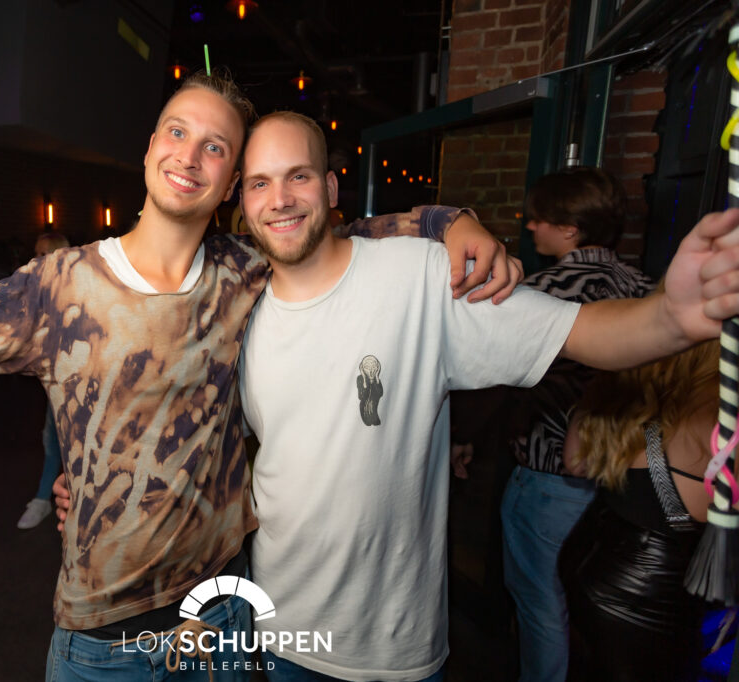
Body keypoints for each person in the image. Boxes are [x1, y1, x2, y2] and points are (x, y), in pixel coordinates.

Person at [0, 72, 521, 681]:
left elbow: (347, 235)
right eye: (178, 131)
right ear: (148, 150)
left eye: (217, 147)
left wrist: (450, 220)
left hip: (222, 617)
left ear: (231, 184)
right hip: (105, 638)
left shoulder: (245, 271)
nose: (191, 155)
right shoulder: (61, 285)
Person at [226, 111, 739, 681]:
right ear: (243, 201)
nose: (280, 199)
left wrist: (671, 317)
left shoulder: (416, 276)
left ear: (329, 187)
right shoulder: (235, 314)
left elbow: (577, 331)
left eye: (297, 176)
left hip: (392, 645)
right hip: (279, 628)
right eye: (260, 183)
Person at [498, 167, 654, 682]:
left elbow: (499, 379)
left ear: (569, 229)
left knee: (540, 603)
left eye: (539, 218)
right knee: (592, 607)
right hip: (627, 483)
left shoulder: (541, 292)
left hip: (549, 479)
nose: (530, 226)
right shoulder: (646, 290)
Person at [559, 341, 715, 682]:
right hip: (648, 594)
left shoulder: (637, 389)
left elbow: (575, 462)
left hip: (590, 561)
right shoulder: (717, 414)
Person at [17, 231, 71, 530]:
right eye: (35, 252)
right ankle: (42, 499)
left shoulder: (76, 289)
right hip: (52, 382)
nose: (34, 259)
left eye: (42, 253)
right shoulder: (38, 290)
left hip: (77, 384)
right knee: (51, 441)